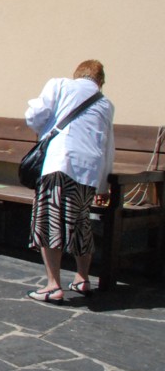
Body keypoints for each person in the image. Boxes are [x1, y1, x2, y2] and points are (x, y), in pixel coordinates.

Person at [24, 60, 114, 304]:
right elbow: (108, 145)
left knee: (49, 221)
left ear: (77, 75)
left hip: (60, 163)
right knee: (81, 222)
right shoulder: (106, 104)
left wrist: (46, 128)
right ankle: (82, 278)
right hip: (89, 172)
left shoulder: (60, 85)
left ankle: (53, 286)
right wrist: (104, 185)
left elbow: (33, 116)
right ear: (100, 81)